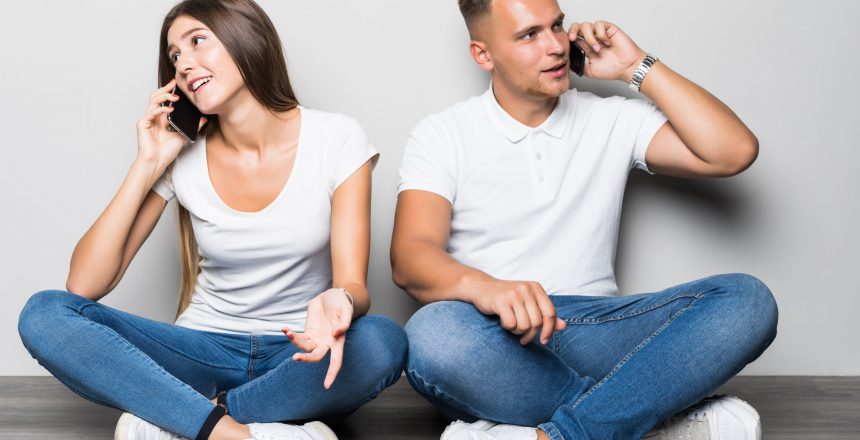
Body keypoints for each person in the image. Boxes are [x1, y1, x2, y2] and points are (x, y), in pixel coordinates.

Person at [17, 1, 406, 439]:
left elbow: (354, 285)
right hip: (199, 350)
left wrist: (342, 301)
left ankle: (187, 417)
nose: (183, 64)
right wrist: (147, 163)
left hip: (295, 356)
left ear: (248, 38)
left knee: (382, 341)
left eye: (197, 41)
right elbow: (84, 284)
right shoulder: (181, 156)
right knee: (44, 312)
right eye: (175, 56)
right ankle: (238, 433)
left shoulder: (336, 137)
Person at [391, 0, 778, 439]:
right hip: (496, 339)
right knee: (432, 334)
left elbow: (733, 151)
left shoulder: (611, 117)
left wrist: (636, 65)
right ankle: (650, 421)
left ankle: (557, 433)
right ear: (483, 54)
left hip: (599, 333)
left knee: (747, 300)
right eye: (529, 35)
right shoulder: (443, 133)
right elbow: (410, 255)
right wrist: (490, 289)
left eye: (557, 26)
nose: (556, 45)